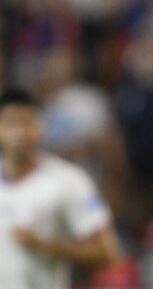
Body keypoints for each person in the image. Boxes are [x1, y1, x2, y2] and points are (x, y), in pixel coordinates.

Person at [0, 88, 120, 289]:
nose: (20, 132)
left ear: (40, 127)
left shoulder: (68, 181)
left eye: (27, 122)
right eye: (11, 123)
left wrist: (43, 246)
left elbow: (107, 252)